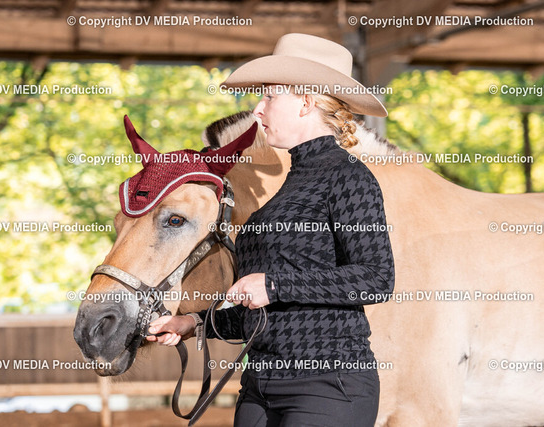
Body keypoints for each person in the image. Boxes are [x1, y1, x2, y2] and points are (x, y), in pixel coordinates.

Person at [147, 33, 395, 427]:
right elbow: (265, 310)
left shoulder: (348, 178)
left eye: (269, 96)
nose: (258, 110)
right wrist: (193, 323)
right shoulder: (291, 184)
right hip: (260, 385)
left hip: (327, 386)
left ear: (306, 103)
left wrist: (274, 285)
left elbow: (376, 279)